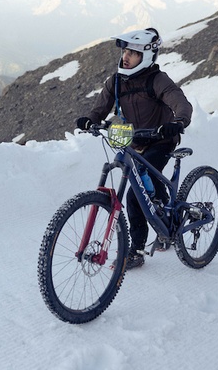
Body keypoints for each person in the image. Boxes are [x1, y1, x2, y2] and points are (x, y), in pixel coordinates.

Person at [75, 28, 193, 270]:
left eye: (133, 53)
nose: (126, 57)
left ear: (147, 56)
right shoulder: (116, 82)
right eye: (125, 51)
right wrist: (89, 120)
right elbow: (99, 109)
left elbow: (179, 101)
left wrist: (178, 122)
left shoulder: (157, 80)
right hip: (134, 141)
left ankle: (136, 251)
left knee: (134, 194)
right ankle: (163, 218)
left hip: (160, 140)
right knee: (144, 181)